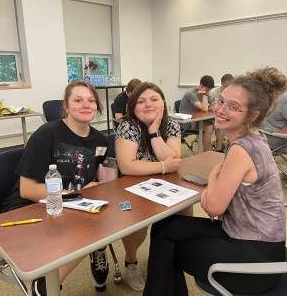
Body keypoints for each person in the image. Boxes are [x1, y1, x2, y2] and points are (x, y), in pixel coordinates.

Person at [143, 67, 287, 296]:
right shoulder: (254, 139)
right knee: (165, 227)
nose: (219, 109)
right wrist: (219, 174)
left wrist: (214, 175)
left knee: (168, 250)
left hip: (255, 265)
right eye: (221, 101)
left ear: (253, 115)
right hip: (254, 241)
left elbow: (211, 208)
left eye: (233, 107)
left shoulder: (242, 148)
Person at [1, 81, 110, 295]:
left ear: (97, 106)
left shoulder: (100, 140)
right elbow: (27, 190)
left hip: (74, 205)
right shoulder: (47, 134)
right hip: (30, 207)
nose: (86, 105)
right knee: (85, 233)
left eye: (91, 100)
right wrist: (76, 195)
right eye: (78, 100)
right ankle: (47, 285)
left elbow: (97, 180)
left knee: (107, 219)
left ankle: (97, 246)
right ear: (66, 107)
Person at [115, 82, 181, 291]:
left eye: (154, 99)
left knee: (184, 214)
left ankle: (170, 261)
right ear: (133, 106)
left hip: (165, 183)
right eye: (141, 101)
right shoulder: (128, 125)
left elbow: (174, 159)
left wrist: (153, 132)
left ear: (163, 102)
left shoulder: (170, 124)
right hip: (132, 186)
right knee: (138, 226)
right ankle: (131, 262)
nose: (148, 104)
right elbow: (126, 166)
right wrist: (162, 166)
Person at [179, 75, 215, 151]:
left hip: (199, 119)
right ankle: (207, 152)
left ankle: (217, 149)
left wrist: (211, 105)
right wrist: (204, 95)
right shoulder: (191, 94)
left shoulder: (206, 93)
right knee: (209, 127)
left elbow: (211, 106)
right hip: (188, 122)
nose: (208, 92)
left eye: (209, 90)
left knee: (217, 125)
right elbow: (205, 109)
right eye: (207, 89)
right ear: (201, 85)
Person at [208, 73, 234, 151]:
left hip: (225, 117)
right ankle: (218, 150)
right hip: (211, 117)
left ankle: (223, 149)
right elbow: (210, 109)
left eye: (230, 86)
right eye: (226, 86)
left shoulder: (233, 94)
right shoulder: (213, 93)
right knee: (220, 126)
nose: (228, 88)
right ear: (221, 84)